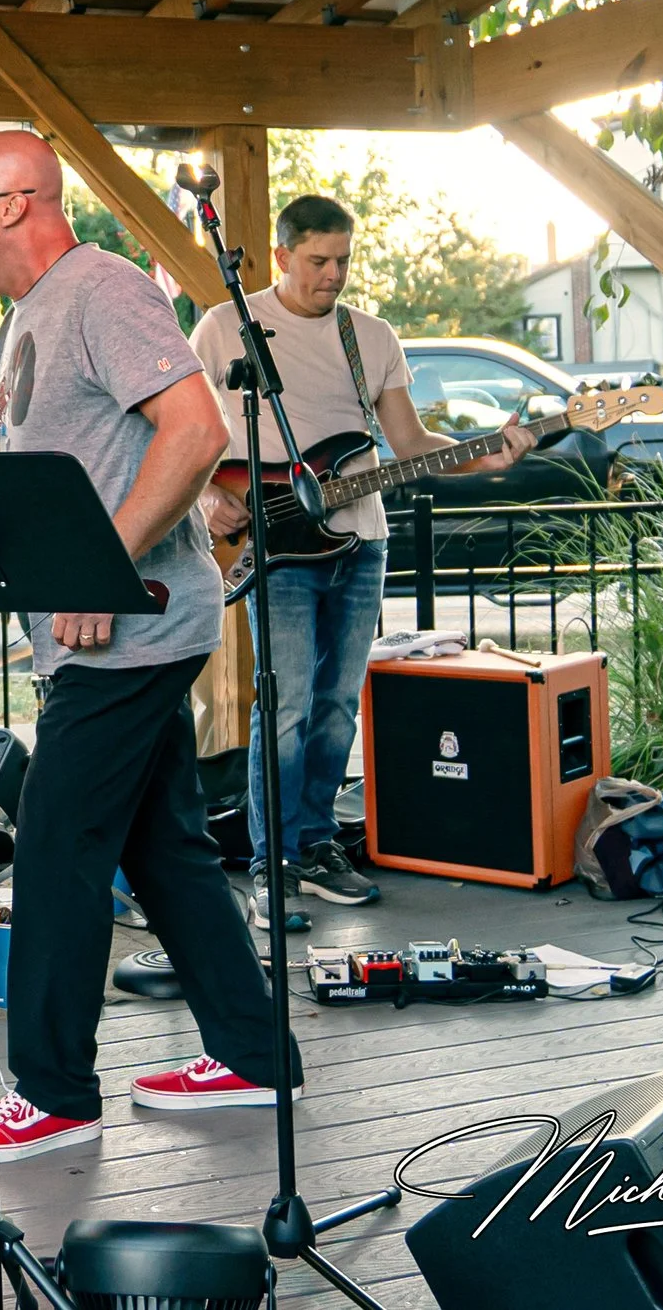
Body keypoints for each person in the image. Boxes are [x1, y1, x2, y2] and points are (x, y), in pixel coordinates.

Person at [0, 130, 297, 1164]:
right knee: (164, 850)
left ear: (15, 203)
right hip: (106, 627)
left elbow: (196, 429)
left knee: (56, 841)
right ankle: (251, 1057)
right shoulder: (30, 316)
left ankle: (53, 1092)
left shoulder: (103, 289)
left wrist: (96, 567)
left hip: (136, 619)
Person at [192, 196, 533, 933]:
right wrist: (205, 504)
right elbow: (187, 437)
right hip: (278, 543)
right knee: (282, 708)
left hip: (360, 539)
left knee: (338, 702)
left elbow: (408, 443)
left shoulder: (369, 336)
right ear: (281, 256)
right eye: (318, 261)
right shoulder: (226, 327)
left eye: (343, 260)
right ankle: (268, 864)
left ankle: (315, 843)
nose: (333, 275)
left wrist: (489, 456)